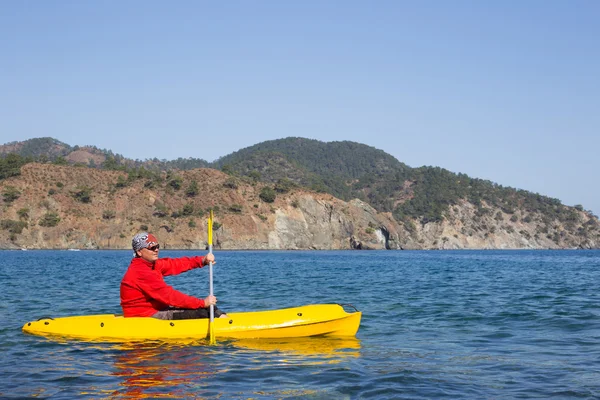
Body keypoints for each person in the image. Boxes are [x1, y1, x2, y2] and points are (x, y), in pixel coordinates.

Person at [120, 232, 227, 320]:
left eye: (157, 246)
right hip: (145, 316)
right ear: (139, 252)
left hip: (157, 309)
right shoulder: (141, 272)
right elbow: (169, 296)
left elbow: (176, 264)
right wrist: (202, 303)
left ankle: (225, 319)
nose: (156, 250)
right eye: (151, 247)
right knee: (204, 311)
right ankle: (226, 325)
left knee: (210, 309)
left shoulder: (152, 265)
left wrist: (202, 260)